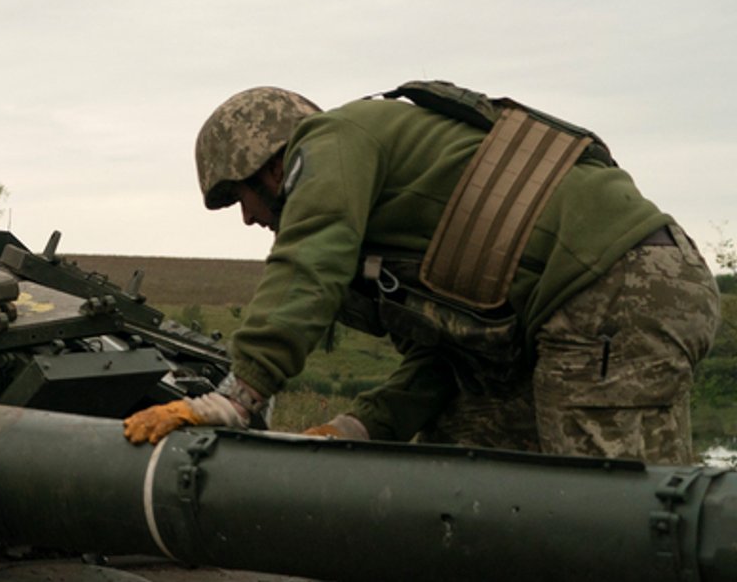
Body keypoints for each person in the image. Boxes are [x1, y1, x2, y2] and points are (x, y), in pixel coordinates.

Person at [123, 83, 720, 462]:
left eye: (240, 196)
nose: (250, 219)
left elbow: (309, 262)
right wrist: (360, 426)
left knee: (604, 512)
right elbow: (447, 364)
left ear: (274, 164)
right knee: (463, 459)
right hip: (581, 307)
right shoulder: (387, 225)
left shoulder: (334, 138)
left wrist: (237, 396)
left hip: (613, 287)